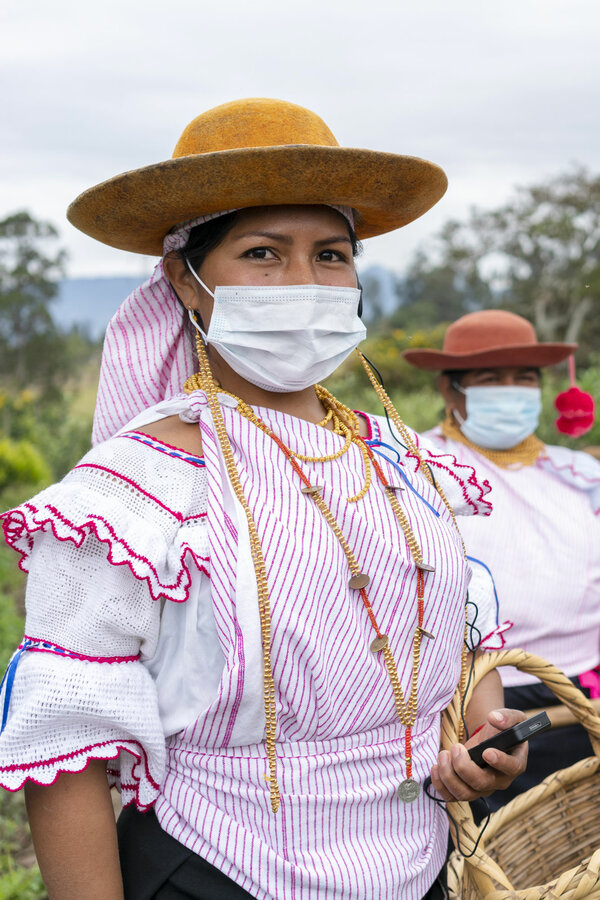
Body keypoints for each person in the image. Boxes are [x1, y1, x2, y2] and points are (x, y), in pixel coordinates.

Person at [0, 99, 527, 900]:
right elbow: (71, 745)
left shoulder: (408, 463)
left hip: (418, 867)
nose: (304, 283)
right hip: (217, 868)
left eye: (331, 255)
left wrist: (482, 745)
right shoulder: (134, 498)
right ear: (186, 278)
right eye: (262, 253)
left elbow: (454, 638)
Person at [404, 308, 600, 809]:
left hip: (586, 693)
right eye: (491, 378)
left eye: (524, 378)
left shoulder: (579, 473)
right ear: (452, 391)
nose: (511, 389)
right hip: (483, 698)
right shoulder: (416, 467)